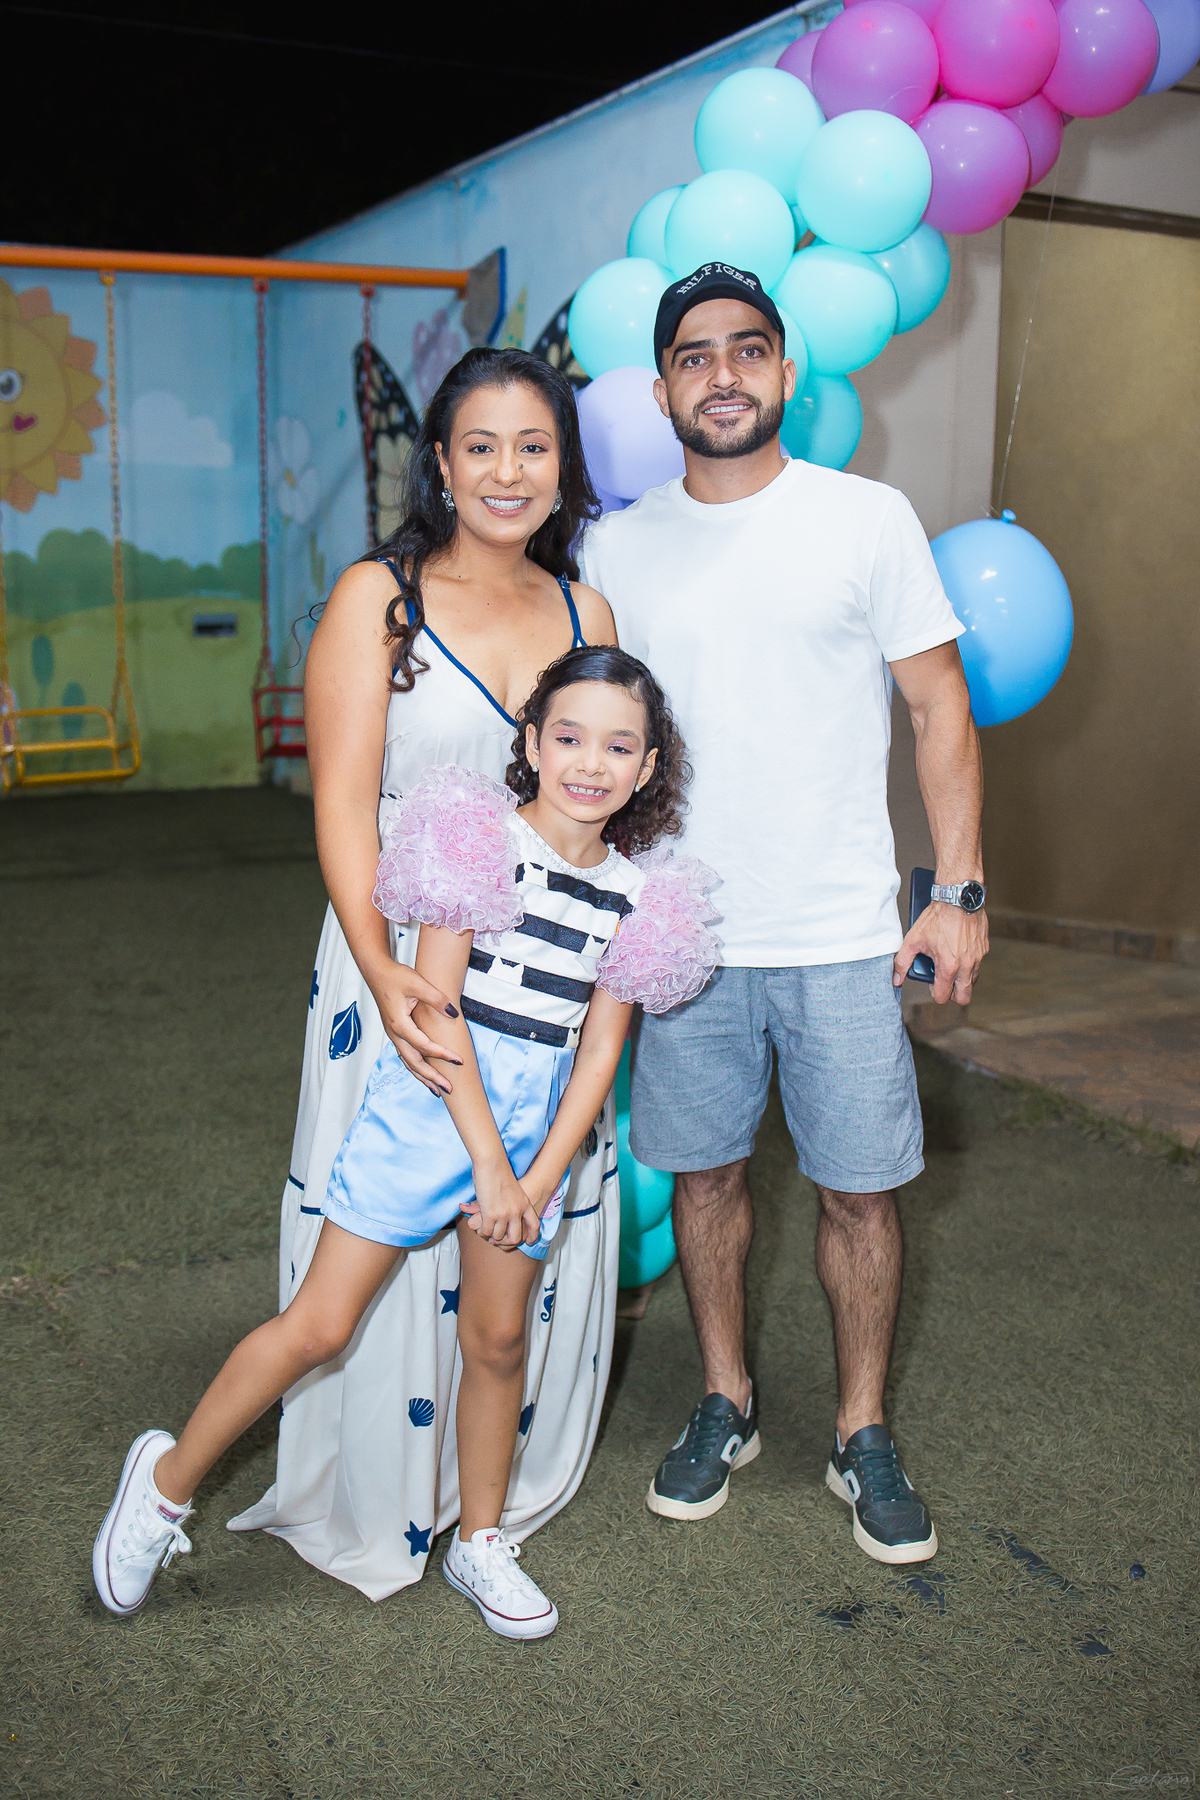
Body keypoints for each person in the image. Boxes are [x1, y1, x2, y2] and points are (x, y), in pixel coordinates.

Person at [93, 646, 719, 1637]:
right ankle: (164, 1485)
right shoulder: (477, 842)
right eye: (569, 737)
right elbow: (438, 1011)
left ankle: (480, 1540)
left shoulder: (643, 898)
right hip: (436, 1107)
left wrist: (538, 1179)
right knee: (320, 1327)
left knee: (498, 1340)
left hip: (535, 1139)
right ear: (531, 743)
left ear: (647, 768)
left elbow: (600, 1054)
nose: (590, 763)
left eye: (618, 746)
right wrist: (490, 1166)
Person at [578, 263, 988, 1567]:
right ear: (661, 390)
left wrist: (958, 893)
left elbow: (939, 706)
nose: (723, 374)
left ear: (786, 372)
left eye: (747, 349)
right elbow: (583, 740)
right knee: (705, 1180)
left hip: (841, 936)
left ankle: (861, 1431)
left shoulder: (866, 518)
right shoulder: (615, 547)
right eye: (694, 356)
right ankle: (727, 1399)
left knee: (861, 1195)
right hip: (682, 936)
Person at [228, 349, 619, 1602]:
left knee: (501, 1253)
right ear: (440, 463)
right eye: (481, 446)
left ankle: (480, 1513)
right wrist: (383, 968)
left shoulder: (587, 613)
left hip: (539, 985)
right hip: (394, 959)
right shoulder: (375, 599)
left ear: (563, 465)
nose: (509, 471)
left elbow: (600, 796)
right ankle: (373, 1488)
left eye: (534, 446)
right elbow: (344, 807)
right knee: (381, 1226)